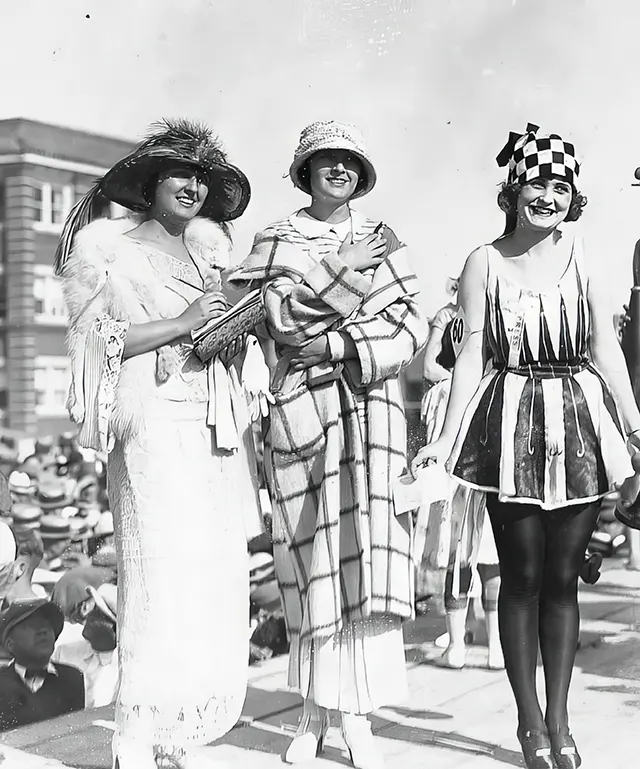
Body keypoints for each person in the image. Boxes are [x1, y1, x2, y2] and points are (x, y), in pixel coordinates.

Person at [412, 124, 640, 769]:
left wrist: (634, 424)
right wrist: (444, 441)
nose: (549, 195)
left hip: (579, 419)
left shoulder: (588, 254)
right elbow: (471, 357)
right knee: (521, 579)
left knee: (563, 582)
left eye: (561, 185)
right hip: (508, 419)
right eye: (537, 182)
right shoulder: (483, 259)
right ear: (512, 191)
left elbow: (605, 350)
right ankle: (528, 725)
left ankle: (562, 725)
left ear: (574, 197)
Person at [55, 119, 262, 769]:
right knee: (156, 575)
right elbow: (93, 343)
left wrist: (233, 331)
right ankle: (132, 737)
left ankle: (173, 727)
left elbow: (218, 332)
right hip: (149, 427)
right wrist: (179, 322)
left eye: (202, 177)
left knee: (204, 575)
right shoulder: (107, 252)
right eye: (181, 174)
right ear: (149, 184)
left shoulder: (210, 257)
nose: (192, 187)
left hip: (211, 425)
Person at [231, 120, 428, 769]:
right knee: (309, 561)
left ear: (360, 173)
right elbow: (274, 317)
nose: (337, 170)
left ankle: (358, 717)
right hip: (301, 411)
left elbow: (408, 326)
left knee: (364, 561)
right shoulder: (276, 240)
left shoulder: (384, 239)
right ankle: (312, 715)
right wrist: (342, 275)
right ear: (305, 171)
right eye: (325, 161)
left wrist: (340, 342)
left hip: (370, 412)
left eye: (348, 161)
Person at [416, 291, 503, 671]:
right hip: (460, 422)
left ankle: (492, 643)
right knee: (462, 550)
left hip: (485, 427)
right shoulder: (447, 314)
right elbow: (430, 368)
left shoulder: (497, 313)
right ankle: (458, 642)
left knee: (489, 553)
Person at [0, 598, 84, 731]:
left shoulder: (72, 678)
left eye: (47, 625)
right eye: (31, 625)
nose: (43, 631)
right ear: (10, 644)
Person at [52, 583, 119, 709]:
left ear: (114, 627)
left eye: (100, 614)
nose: (90, 616)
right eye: (93, 609)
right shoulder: (64, 651)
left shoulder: (122, 671)